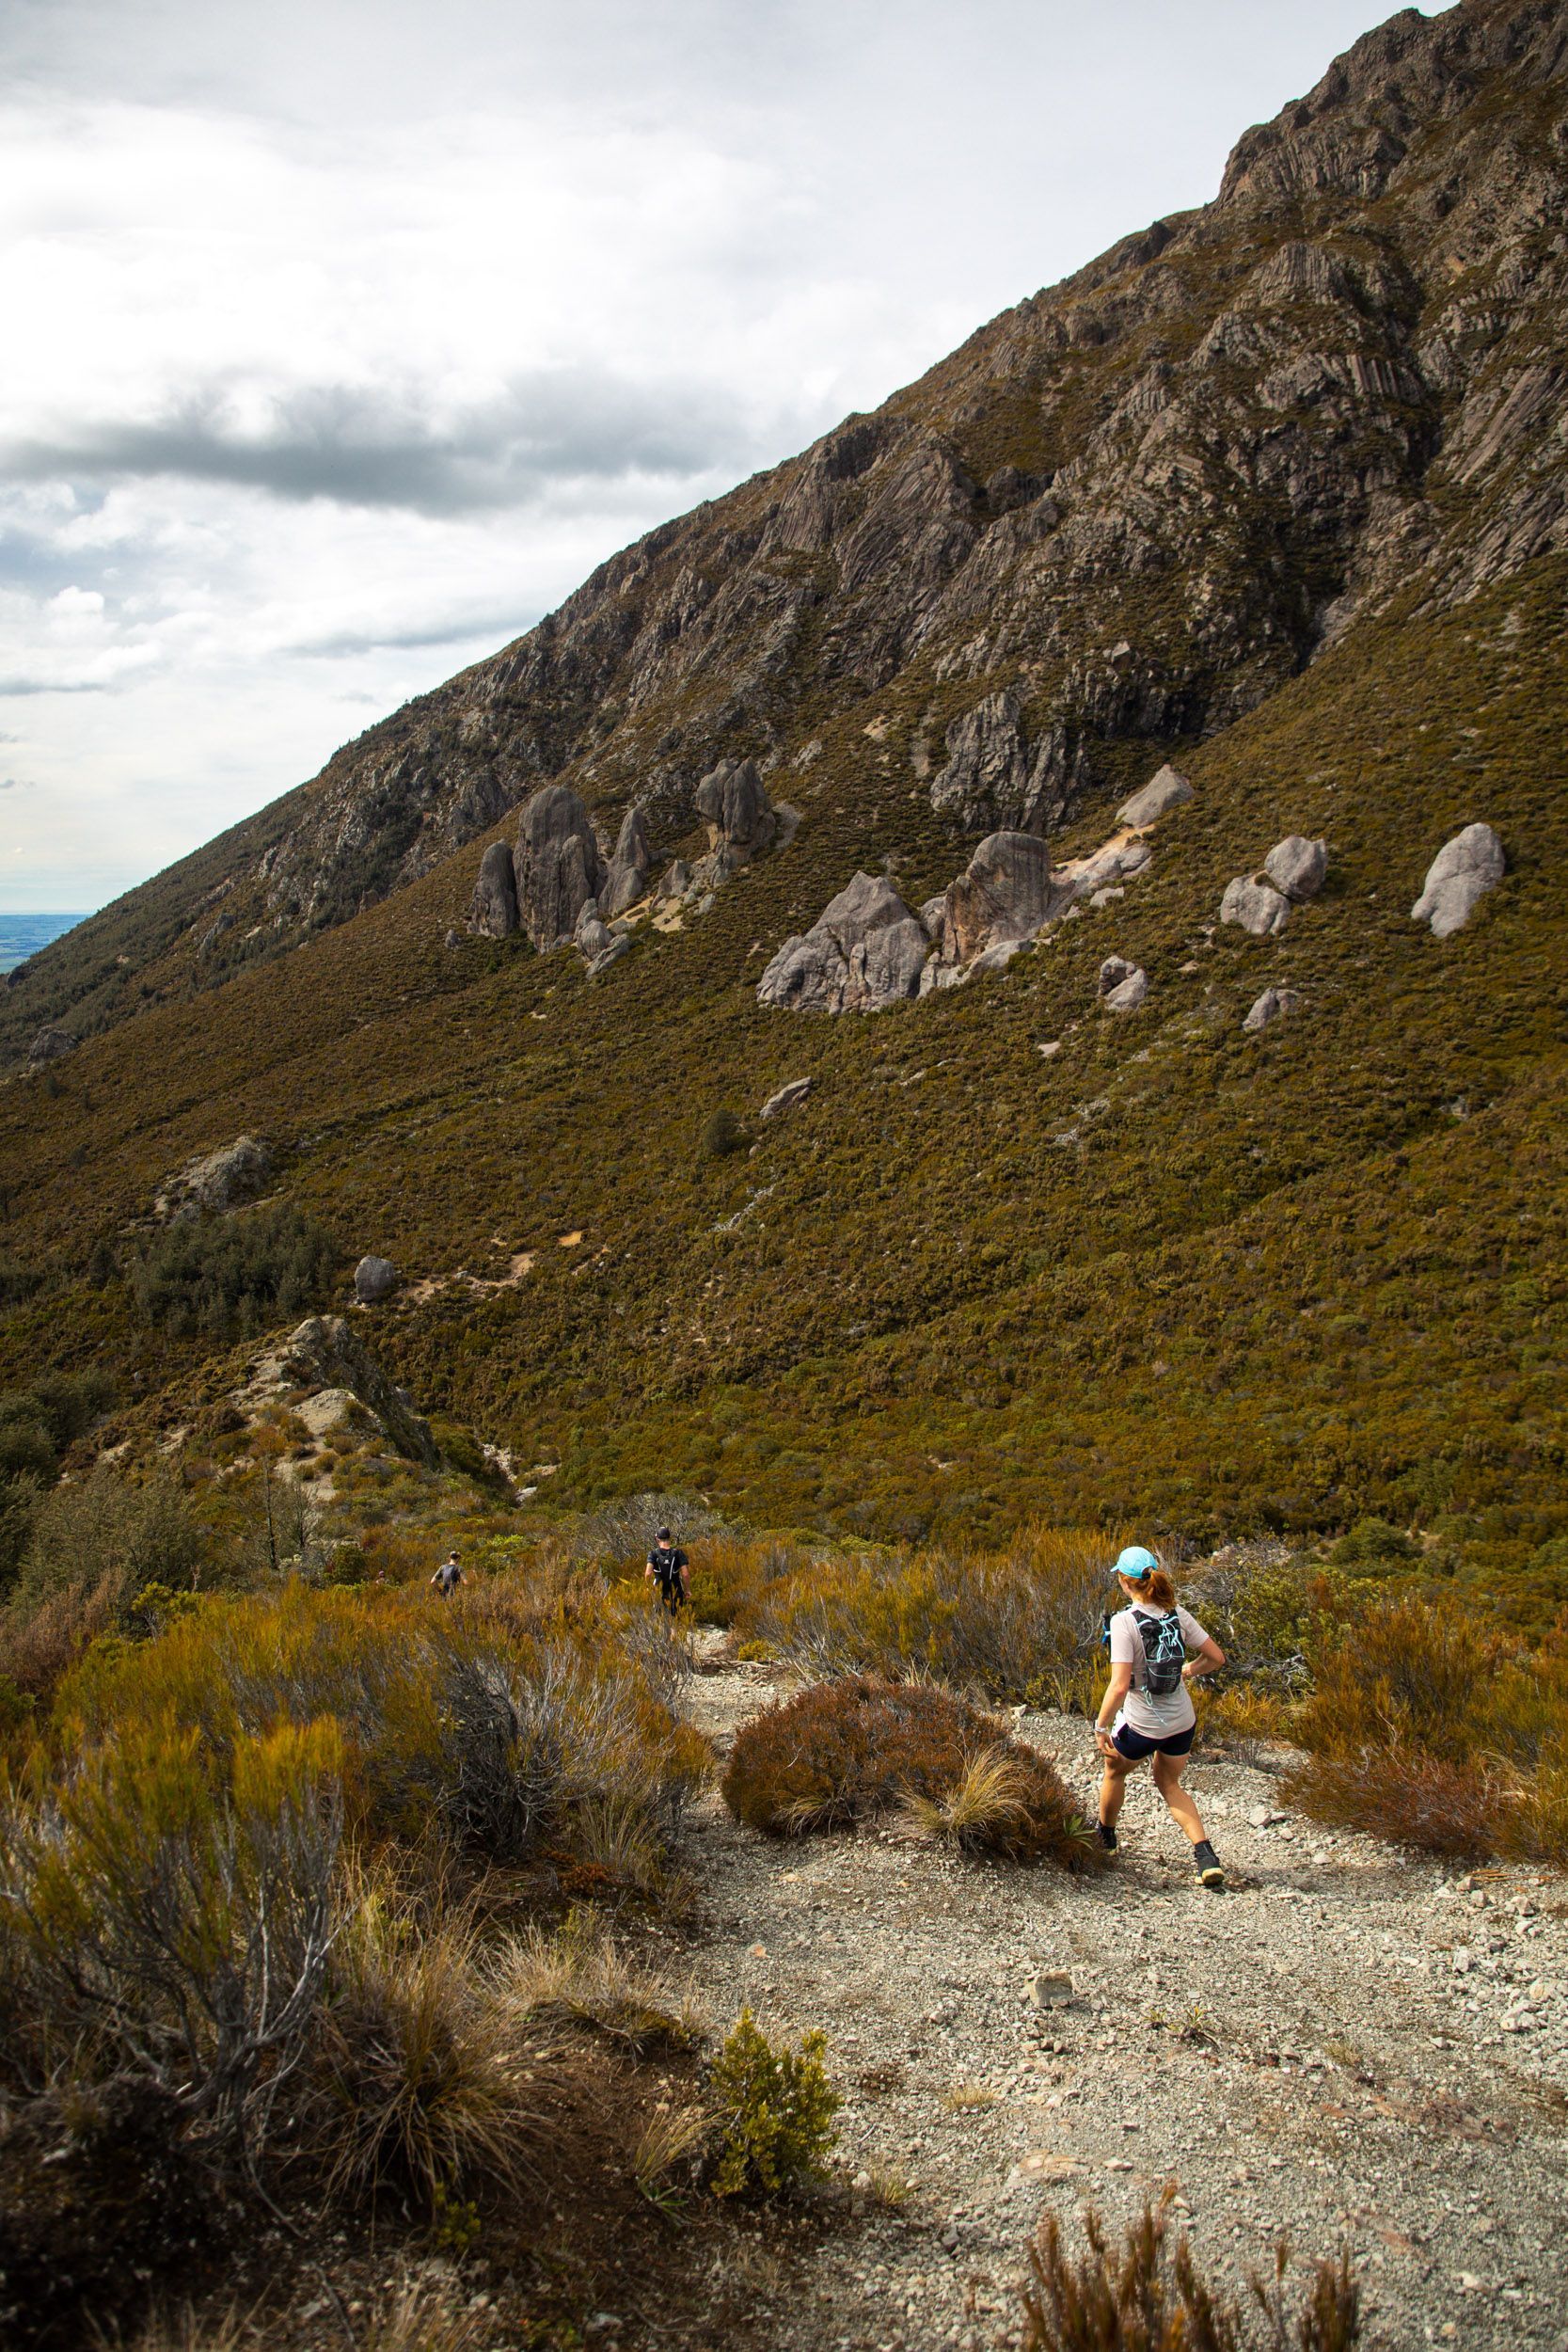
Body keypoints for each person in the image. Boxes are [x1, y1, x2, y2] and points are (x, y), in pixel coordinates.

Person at [1094, 1545, 1227, 1888]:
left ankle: (1106, 1838)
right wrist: (1188, 1670)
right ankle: (1205, 1856)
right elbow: (1215, 1657)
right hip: (1183, 1720)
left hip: (1143, 1724)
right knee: (1169, 1784)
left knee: (1114, 1770)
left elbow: (1120, 1686)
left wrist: (1101, 1726)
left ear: (1125, 1582)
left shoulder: (1124, 1622)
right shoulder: (1177, 1613)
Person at [644, 1526, 689, 1617]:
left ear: (657, 1539)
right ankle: (673, 1631)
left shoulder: (653, 1553)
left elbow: (648, 1573)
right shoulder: (678, 1553)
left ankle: (663, 1631)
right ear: (669, 1538)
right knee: (675, 1617)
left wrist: (648, 1588)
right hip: (676, 1588)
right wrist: (688, 1590)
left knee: (659, 1617)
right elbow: (685, 1574)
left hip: (659, 1589)